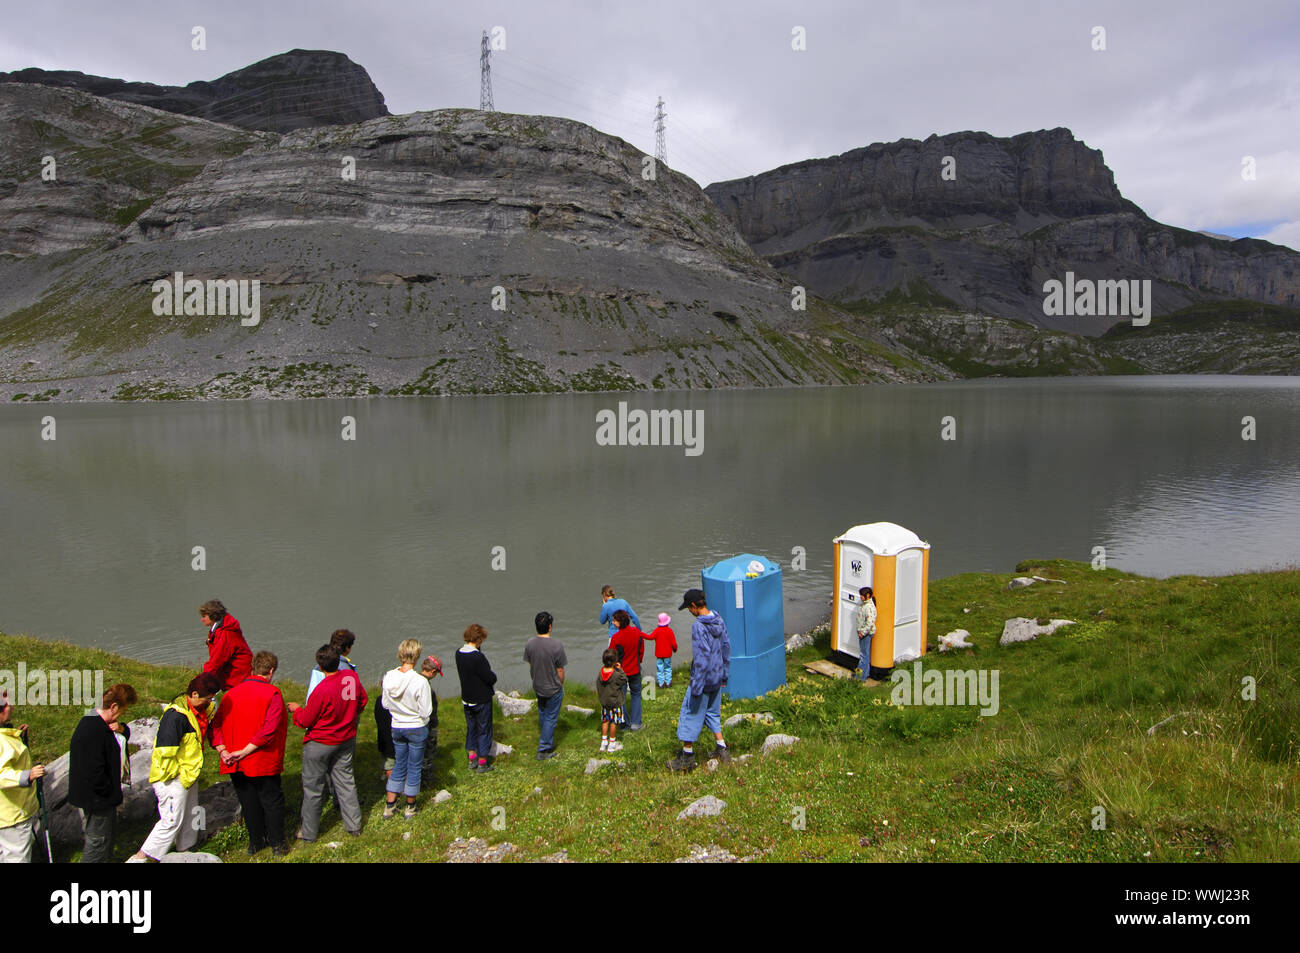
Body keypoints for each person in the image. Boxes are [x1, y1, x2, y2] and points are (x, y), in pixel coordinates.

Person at [129, 673, 221, 861]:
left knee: (189, 815)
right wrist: (176, 776)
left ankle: (185, 851)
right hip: (172, 778)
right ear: (194, 694)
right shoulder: (175, 717)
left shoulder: (199, 708)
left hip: (188, 774)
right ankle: (140, 858)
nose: (210, 701)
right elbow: (165, 753)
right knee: (171, 821)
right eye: (207, 697)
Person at [210, 651, 289, 857]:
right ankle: (278, 843)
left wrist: (223, 750)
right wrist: (245, 751)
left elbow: (214, 726)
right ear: (271, 671)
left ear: (252, 668)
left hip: (234, 762)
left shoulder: (230, 695)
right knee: (271, 801)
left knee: (248, 801)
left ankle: (256, 842)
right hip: (262, 760)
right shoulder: (273, 694)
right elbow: (269, 730)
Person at [288, 644, 368, 842]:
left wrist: (296, 710)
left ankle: (308, 832)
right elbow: (362, 701)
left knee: (313, 788)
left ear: (320, 666)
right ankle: (354, 825)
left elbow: (306, 720)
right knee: (346, 781)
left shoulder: (321, 689)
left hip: (320, 742)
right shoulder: (351, 678)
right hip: (346, 739)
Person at [68, 683, 136, 862]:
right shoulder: (93, 730)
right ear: (113, 707)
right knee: (98, 842)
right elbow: (94, 772)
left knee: (105, 838)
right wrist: (109, 792)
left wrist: (121, 728)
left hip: (100, 797)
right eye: (123, 710)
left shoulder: (97, 721)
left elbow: (123, 735)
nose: (122, 715)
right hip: (97, 799)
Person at [668, 589, 731, 773]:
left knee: (690, 714)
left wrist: (696, 685)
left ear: (694, 606)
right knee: (712, 713)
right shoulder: (718, 619)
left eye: (688, 607)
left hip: (703, 680)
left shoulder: (699, 626)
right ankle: (722, 749)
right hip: (717, 677)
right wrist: (724, 674)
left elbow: (702, 657)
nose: (689, 611)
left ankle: (687, 757)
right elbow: (726, 647)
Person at [381, 639, 432, 819]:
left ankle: (390, 805)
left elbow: (385, 704)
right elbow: (426, 711)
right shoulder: (420, 681)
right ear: (417, 656)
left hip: (397, 726)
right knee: (414, 766)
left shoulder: (388, 677)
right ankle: (410, 807)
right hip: (416, 726)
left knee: (399, 764)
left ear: (400, 654)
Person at [0, 693, 45, 863]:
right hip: (12, 815)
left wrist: (19, 739)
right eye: (6, 704)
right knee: (17, 858)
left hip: (6, 813)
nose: (11, 706)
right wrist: (28, 775)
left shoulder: (5, 736)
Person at [524, 611, 566, 760]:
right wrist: (560, 683)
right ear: (550, 627)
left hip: (538, 685)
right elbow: (560, 669)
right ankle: (544, 749)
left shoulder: (530, 643)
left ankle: (546, 738)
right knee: (551, 717)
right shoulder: (557, 645)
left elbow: (531, 663)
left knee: (543, 713)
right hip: (553, 686)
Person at [455, 624, 497, 774]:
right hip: (481, 699)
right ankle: (482, 762)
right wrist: (494, 677)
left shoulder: (458, 653)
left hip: (467, 698)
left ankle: (472, 758)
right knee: (484, 729)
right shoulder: (478, 657)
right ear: (478, 639)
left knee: (471, 728)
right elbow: (489, 677)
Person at [199, 599, 253, 690]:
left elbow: (216, 661)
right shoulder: (221, 627)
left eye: (204, 616)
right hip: (238, 673)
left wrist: (202, 681)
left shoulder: (224, 634)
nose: (202, 619)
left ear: (213, 616)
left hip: (239, 675)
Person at [607, 609, 647, 730]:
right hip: (635, 669)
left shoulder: (616, 638)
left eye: (614, 620)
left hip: (621, 672)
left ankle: (625, 724)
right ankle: (636, 723)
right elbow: (641, 649)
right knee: (636, 695)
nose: (613, 622)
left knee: (621, 697)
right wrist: (639, 660)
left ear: (619, 622)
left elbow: (610, 656)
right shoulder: (637, 632)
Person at [307, 629, 358, 700]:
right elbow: (352, 698)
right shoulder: (347, 670)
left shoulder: (320, 664)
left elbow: (312, 691)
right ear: (347, 648)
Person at [596, 650, 627, 753]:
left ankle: (603, 742)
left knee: (605, 721)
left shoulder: (601, 673)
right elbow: (624, 679)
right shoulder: (616, 674)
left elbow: (598, 685)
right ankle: (612, 744)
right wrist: (620, 669)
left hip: (605, 703)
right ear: (614, 661)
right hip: (615, 703)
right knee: (614, 722)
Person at [418, 656, 442, 786]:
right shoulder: (427, 687)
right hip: (427, 725)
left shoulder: (414, 680)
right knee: (428, 752)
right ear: (433, 672)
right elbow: (429, 710)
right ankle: (426, 779)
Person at [646, 612, 678, 688]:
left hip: (659, 654)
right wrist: (675, 649)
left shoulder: (657, 631)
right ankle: (668, 683)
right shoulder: (670, 631)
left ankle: (661, 684)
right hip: (667, 654)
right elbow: (674, 643)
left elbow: (650, 637)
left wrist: (641, 634)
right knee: (668, 668)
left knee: (660, 669)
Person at [856, 586, 879, 685]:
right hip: (864, 633)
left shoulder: (868, 607)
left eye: (862, 595)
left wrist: (862, 632)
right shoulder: (866, 604)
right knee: (865, 654)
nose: (860, 597)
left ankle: (860, 677)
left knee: (863, 656)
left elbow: (869, 623)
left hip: (865, 634)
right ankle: (865, 674)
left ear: (868, 595)